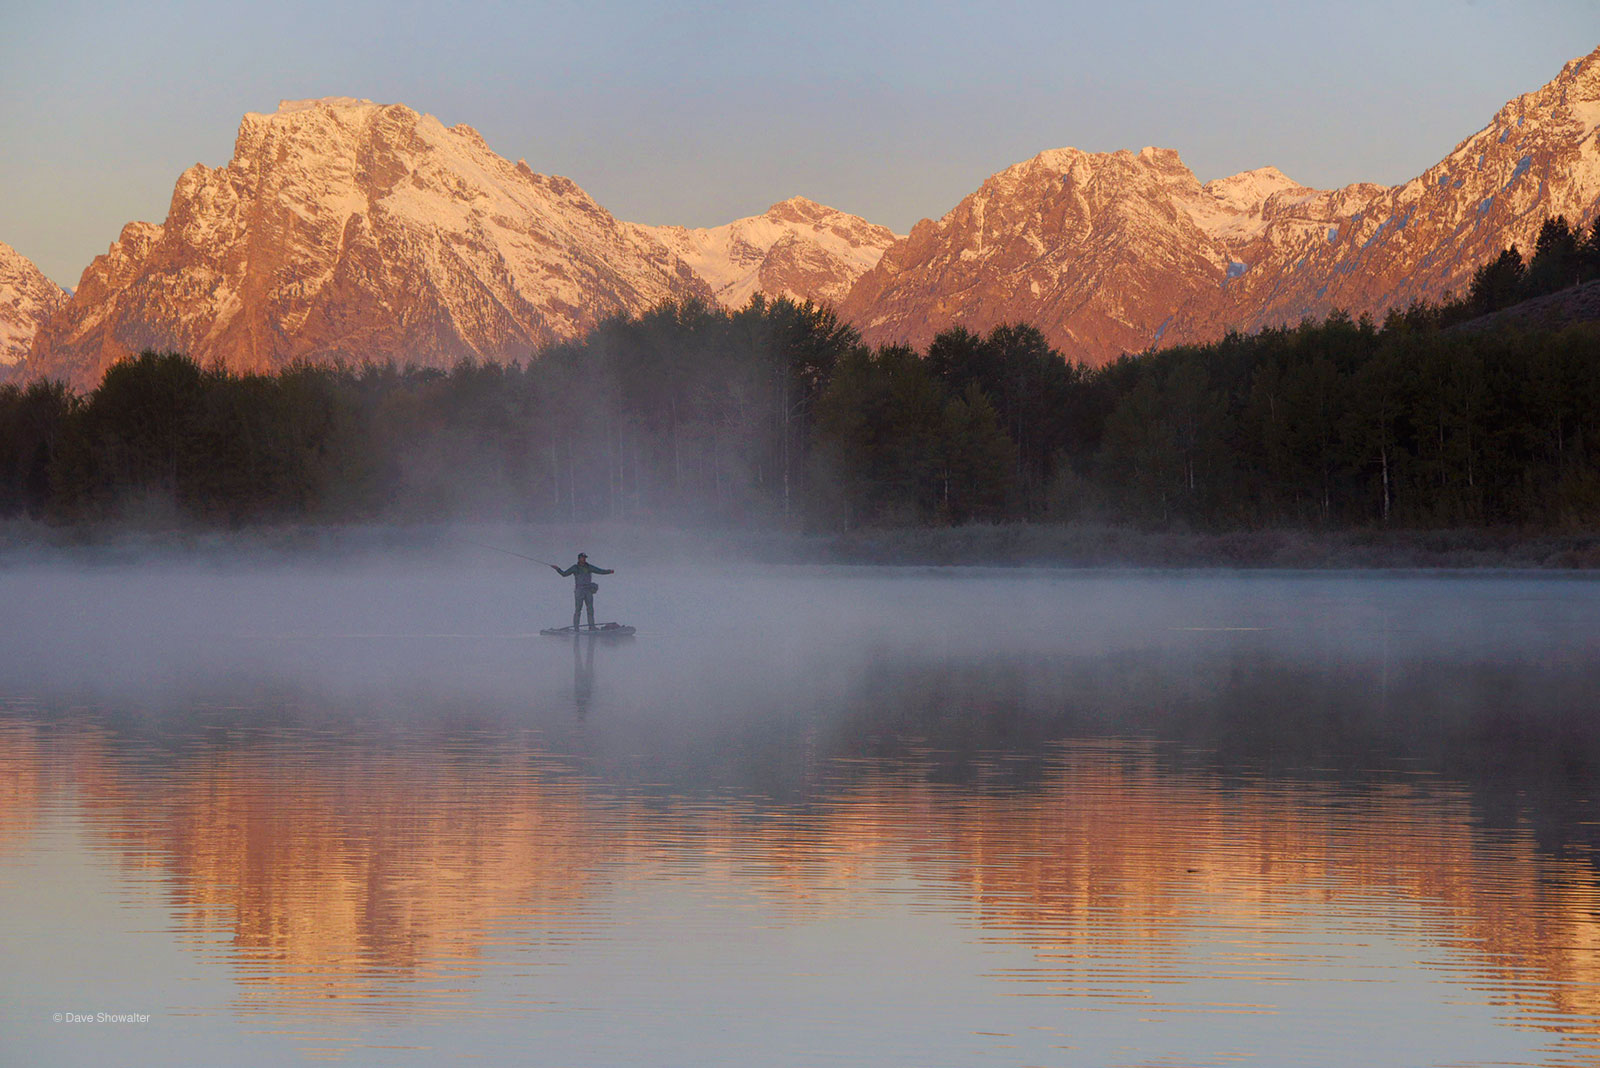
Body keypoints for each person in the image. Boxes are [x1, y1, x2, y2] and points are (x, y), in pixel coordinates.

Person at [552, 552, 615, 630]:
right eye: (583, 557)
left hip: (588, 590)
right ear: (579, 558)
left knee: (590, 609)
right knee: (578, 610)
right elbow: (564, 574)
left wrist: (609, 571)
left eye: (585, 558)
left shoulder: (589, 567)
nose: (584, 559)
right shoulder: (575, 568)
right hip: (579, 591)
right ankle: (576, 628)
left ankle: (592, 627)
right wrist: (557, 569)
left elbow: (600, 571)